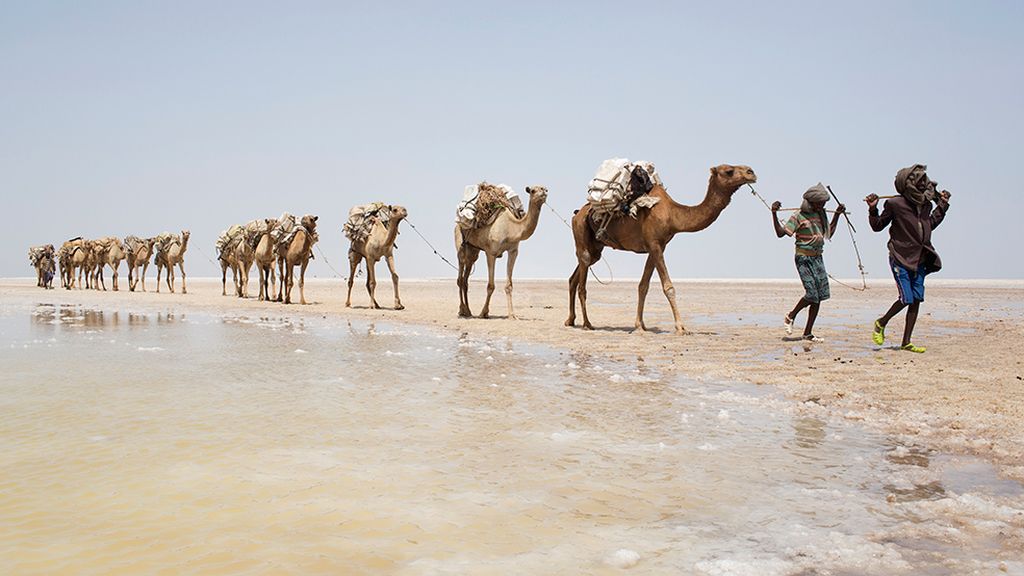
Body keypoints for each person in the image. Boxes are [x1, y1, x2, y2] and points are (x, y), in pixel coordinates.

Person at [865, 164, 951, 353]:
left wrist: (942, 206)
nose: (924, 186)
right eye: (919, 183)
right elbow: (877, 226)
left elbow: (930, 224)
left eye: (924, 183)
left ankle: (906, 342)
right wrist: (873, 209)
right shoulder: (895, 204)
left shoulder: (926, 205)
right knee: (906, 298)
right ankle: (881, 322)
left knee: (916, 299)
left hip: (920, 258)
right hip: (900, 257)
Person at [771, 183, 845, 342]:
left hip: (818, 258)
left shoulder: (821, 215)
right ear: (811, 201)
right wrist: (774, 213)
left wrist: (837, 215)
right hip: (803, 258)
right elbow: (780, 233)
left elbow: (829, 232)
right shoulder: (798, 216)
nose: (823, 206)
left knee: (819, 296)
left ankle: (808, 333)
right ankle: (791, 315)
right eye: (820, 203)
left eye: (824, 203)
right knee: (811, 294)